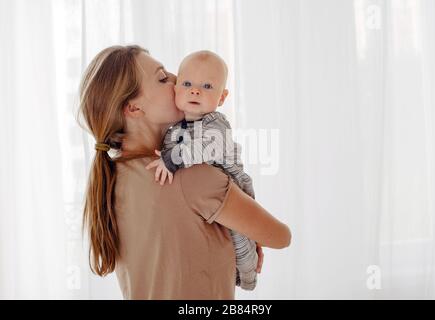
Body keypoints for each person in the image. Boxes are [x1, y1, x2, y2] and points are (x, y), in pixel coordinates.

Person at [77, 45, 291, 299]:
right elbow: (280, 237)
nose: (177, 80)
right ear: (133, 108)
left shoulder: (112, 176)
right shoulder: (191, 176)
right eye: (162, 77)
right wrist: (244, 232)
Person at [147, 50, 258, 290]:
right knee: (215, 243)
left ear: (222, 98)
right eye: (187, 83)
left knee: (240, 239)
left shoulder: (216, 123)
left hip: (230, 187)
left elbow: (208, 147)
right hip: (200, 204)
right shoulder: (172, 128)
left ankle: (247, 278)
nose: (195, 90)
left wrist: (172, 159)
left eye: (207, 86)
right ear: (176, 89)